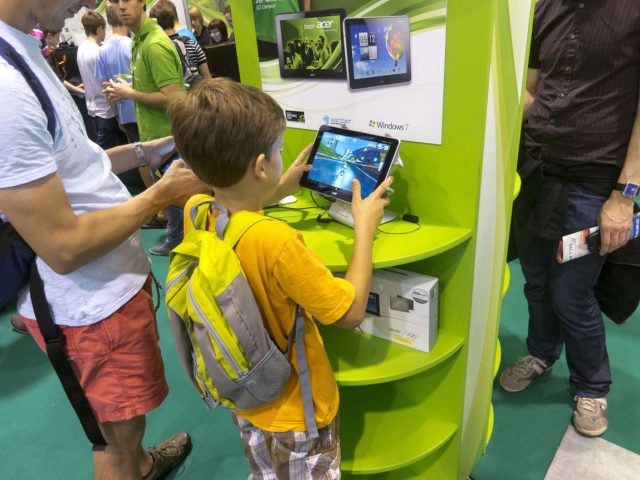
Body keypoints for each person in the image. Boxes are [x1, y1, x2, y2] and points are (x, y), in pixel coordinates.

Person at [0, 1, 209, 479]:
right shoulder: (6, 90)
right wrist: (160, 194)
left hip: (108, 292)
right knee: (114, 438)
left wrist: (147, 150)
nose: (87, 4)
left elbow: (78, 167)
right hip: (88, 310)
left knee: (126, 423)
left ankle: (141, 464)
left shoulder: (23, 51)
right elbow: (64, 247)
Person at [167, 77, 393, 479]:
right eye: (278, 150)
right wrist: (364, 227)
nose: (282, 155)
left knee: (265, 471)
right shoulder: (277, 242)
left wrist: (278, 186)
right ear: (260, 166)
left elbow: (236, 216)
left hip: (246, 398)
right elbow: (350, 313)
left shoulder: (197, 211)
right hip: (298, 411)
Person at [499, 0, 640, 438]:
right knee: (536, 281)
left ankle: (592, 385)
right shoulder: (545, 7)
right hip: (536, 169)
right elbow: (531, 89)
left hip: (594, 179)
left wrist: (625, 196)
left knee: (572, 293)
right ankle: (542, 352)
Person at [105, 0, 185, 256]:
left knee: (178, 197)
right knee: (171, 197)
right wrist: (128, 90)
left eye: (126, 0)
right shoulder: (139, 41)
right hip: (157, 139)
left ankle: (179, 241)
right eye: (114, 1)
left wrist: (129, 93)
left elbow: (173, 98)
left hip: (169, 138)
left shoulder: (154, 44)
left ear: (142, 2)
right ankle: (177, 239)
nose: (120, 6)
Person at [77, 10, 121, 150]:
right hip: (105, 110)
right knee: (106, 151)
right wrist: (117, 114)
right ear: (100, 28)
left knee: (102, 147)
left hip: (93, 108)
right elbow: (106, 85)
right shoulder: (97, 52)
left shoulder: (82, 48)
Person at [149, 0, 212, 84]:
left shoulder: (159, 49)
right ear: (174, 19)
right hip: (197, 90)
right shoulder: (191, 42)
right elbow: (208, 79)